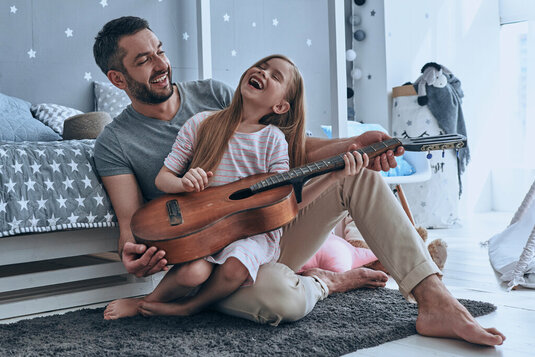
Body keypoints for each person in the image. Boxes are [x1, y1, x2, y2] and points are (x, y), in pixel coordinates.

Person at [93, 16, 505, 346]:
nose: (162, 64)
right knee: (280, 301)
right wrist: (133, 257)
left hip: (265, 231)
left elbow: (294, 150)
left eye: (160, 51)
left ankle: (435, 301)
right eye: (143, 60)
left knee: (355, 176)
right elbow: (131, 226)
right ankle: (327, 280)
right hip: (206, 264)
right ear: (118, 79)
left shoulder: (214, 96)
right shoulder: (115, 142)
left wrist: (355, 142)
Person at [104, 54, 372, 318]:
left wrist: (333, 176)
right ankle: (146, 303)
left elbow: (286, 202)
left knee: (235, 268)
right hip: (205, 229)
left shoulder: (273, 140)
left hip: (251, 234)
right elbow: (163, 178)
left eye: (275, 76)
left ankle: (190, 307)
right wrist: (182, 183)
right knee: (191, 273)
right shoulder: (201, 123)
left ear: (280, 107)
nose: (262, 72)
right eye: (261, 66)